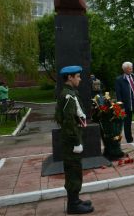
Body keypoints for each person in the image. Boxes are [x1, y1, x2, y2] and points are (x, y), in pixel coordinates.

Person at [54, 66, 94, 214]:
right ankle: (73, 205)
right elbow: (68, 121)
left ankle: (75, 200)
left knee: (75, 170)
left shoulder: (70, 93)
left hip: (72, 139)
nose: (80, 78)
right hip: (71, 142)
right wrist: (76, 142)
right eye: (77, 76)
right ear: (70, 78)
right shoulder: (68, 96)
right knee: (73, 171)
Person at [115, 62, 134, 144]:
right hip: (127, 103)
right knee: (127, 123)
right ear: (125, 69)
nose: (131, 69)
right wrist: (121, 106)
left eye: (131, 67)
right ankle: (129, 140)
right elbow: (118, 94)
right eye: (129, 68)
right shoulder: (119, 79)